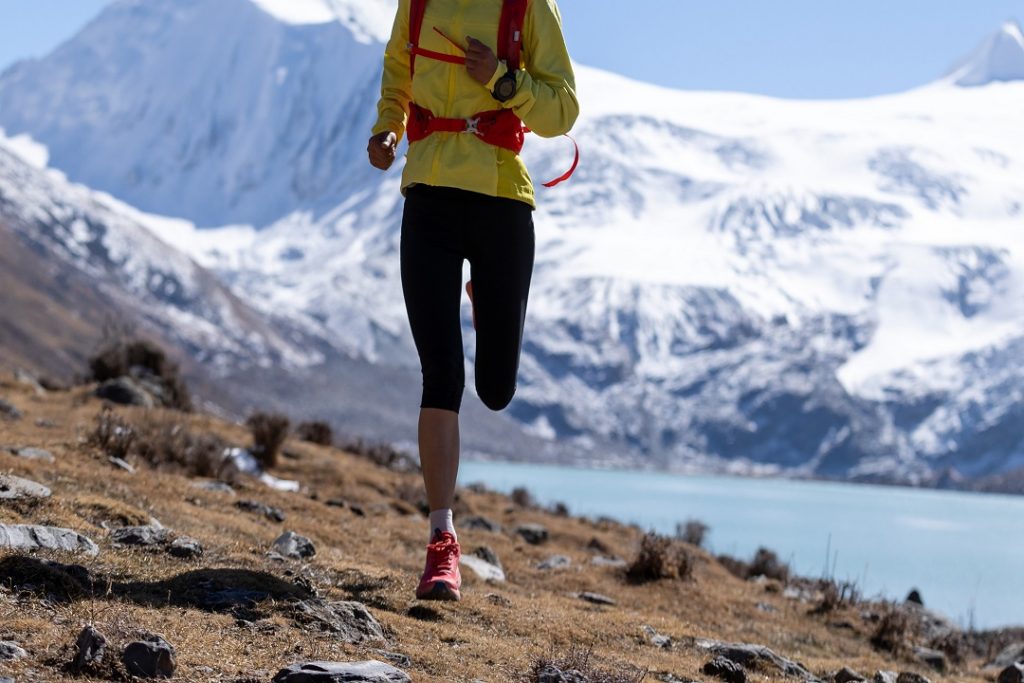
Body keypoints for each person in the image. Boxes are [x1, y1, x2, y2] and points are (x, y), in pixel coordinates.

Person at [367, 0, 578, 601]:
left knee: (496, 388)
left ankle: (487, 297)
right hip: (428, 194)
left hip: (500, 200)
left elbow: (563, 109)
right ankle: (442, 542)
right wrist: (386, 129)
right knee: (442, 374)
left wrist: (503, 81)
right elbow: (396, 76)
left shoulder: (527, 6)